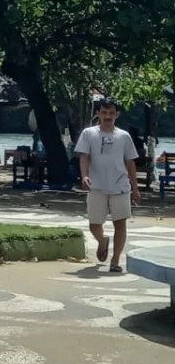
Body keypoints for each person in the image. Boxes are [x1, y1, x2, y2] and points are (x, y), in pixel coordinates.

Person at [74, 98, 141, 273]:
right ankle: (102, 240)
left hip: (120, 185)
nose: (107, 116)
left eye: (111, 113)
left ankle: (116, 260)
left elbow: (130, 162)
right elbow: (84, 157)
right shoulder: (89, 134)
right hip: (96, 185)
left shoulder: (124, 136)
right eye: (104, 112)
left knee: (120, 223)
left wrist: (135, 188)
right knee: (94, 224)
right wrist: (85, 176)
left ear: (117, 115)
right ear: (98, 114)